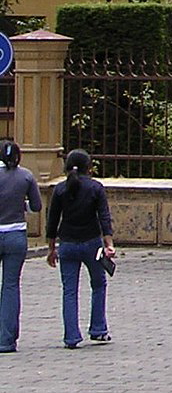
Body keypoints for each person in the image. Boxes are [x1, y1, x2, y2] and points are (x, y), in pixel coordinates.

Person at [45, 148, 115, 349]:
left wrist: (52, 248)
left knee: (69, 291)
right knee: (98, 284)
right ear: (89, 168)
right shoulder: (95, 188)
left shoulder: (60, 189)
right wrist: (109, 244)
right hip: (92, 244)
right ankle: (98, 329)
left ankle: (71, 337)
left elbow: (52, 222)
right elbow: (104, 217)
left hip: (67, 244)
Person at [1, 139, 43, 353]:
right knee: (10, 285)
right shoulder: (26, 175)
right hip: (16, 234)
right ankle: (6, 340)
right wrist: (21, 204)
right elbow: (36, 206)